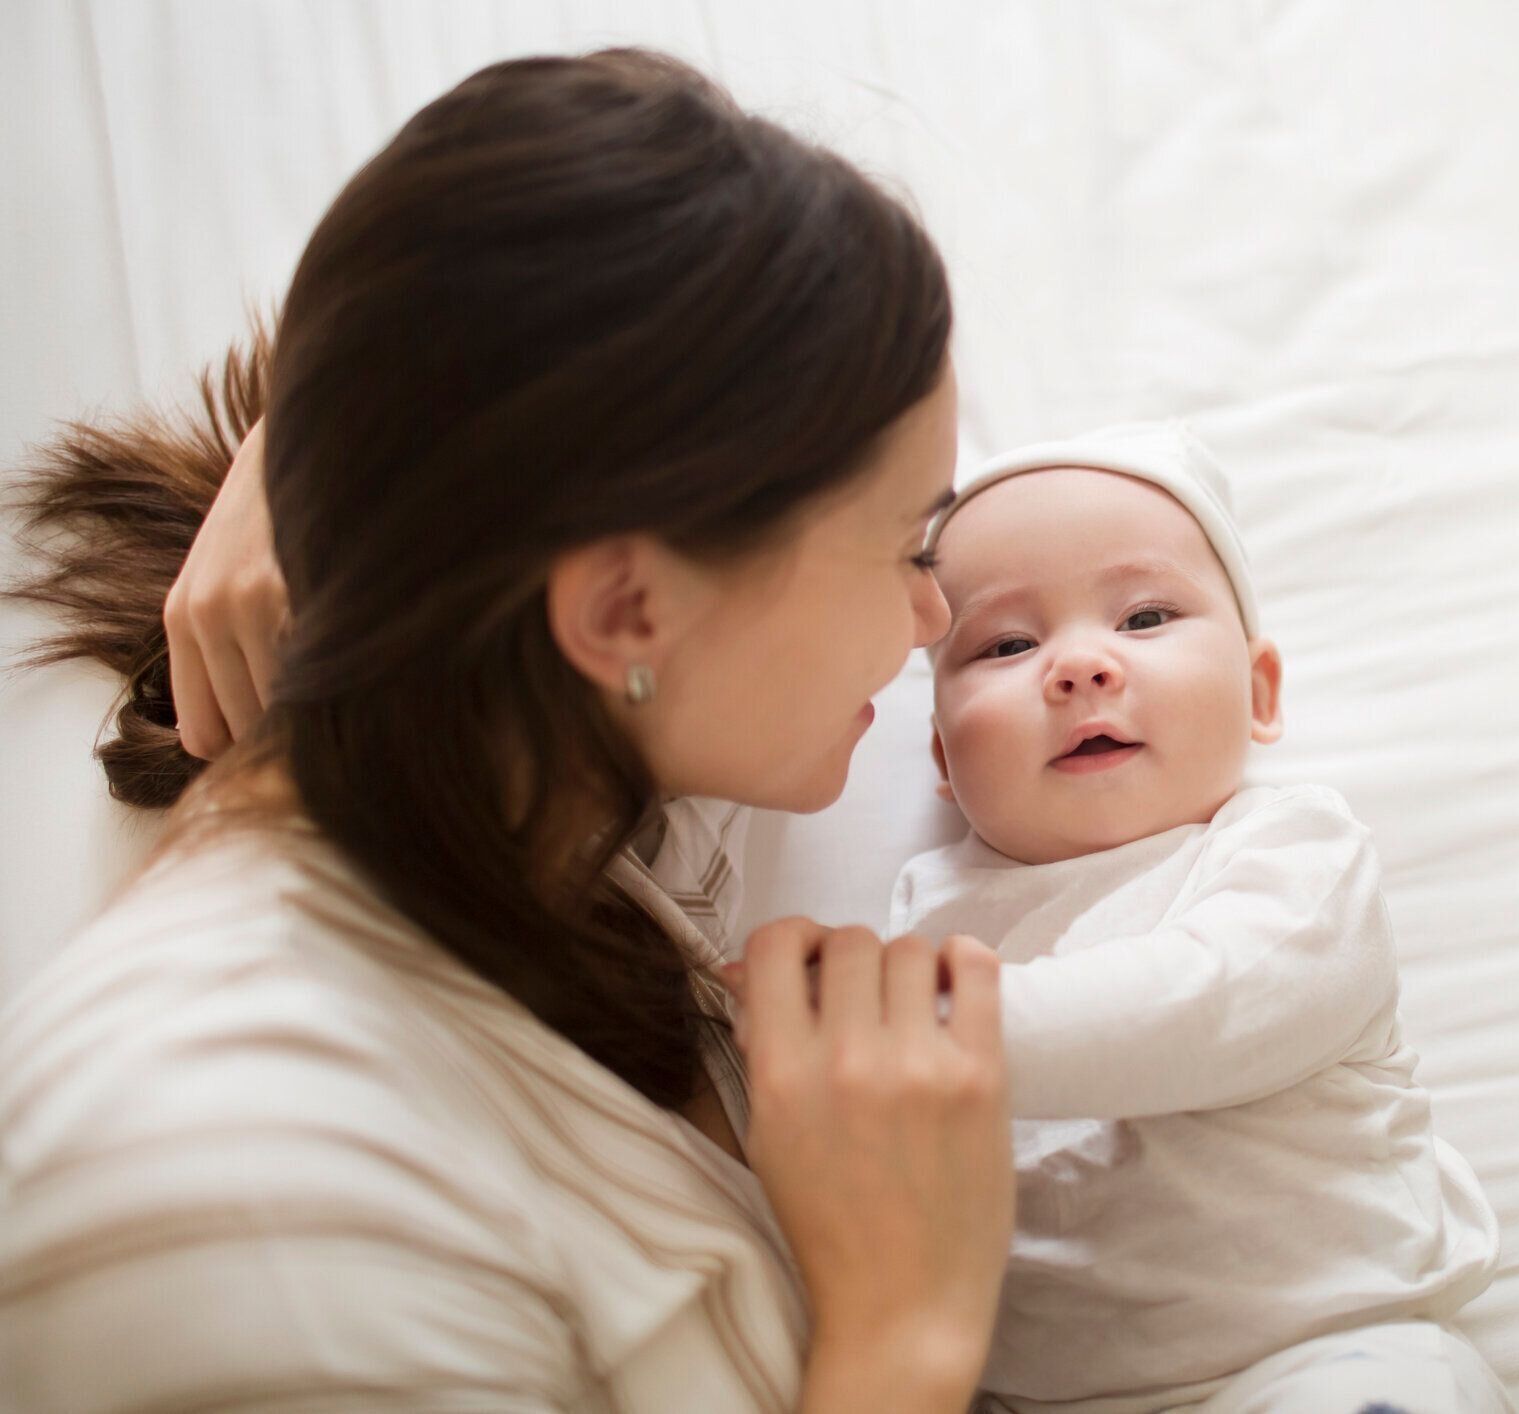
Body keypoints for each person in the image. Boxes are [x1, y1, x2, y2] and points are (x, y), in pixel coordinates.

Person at [0, 48, 1015, 1412]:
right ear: (623, 610)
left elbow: (551, 204)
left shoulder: (531, 788)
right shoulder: (235, 1194)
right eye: (912, 544)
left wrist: (328, 475)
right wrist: (906, 1334)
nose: (934, 614)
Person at [887, 424, 1508, 1412]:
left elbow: (1205, 1003)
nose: (1079, 666)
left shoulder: (1291, 856)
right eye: (1009, 643)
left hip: (1317, 1358)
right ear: (941, 758)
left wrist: (933, 1030)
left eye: (1143, 618)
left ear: (1259, 692)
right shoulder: (925, 920)